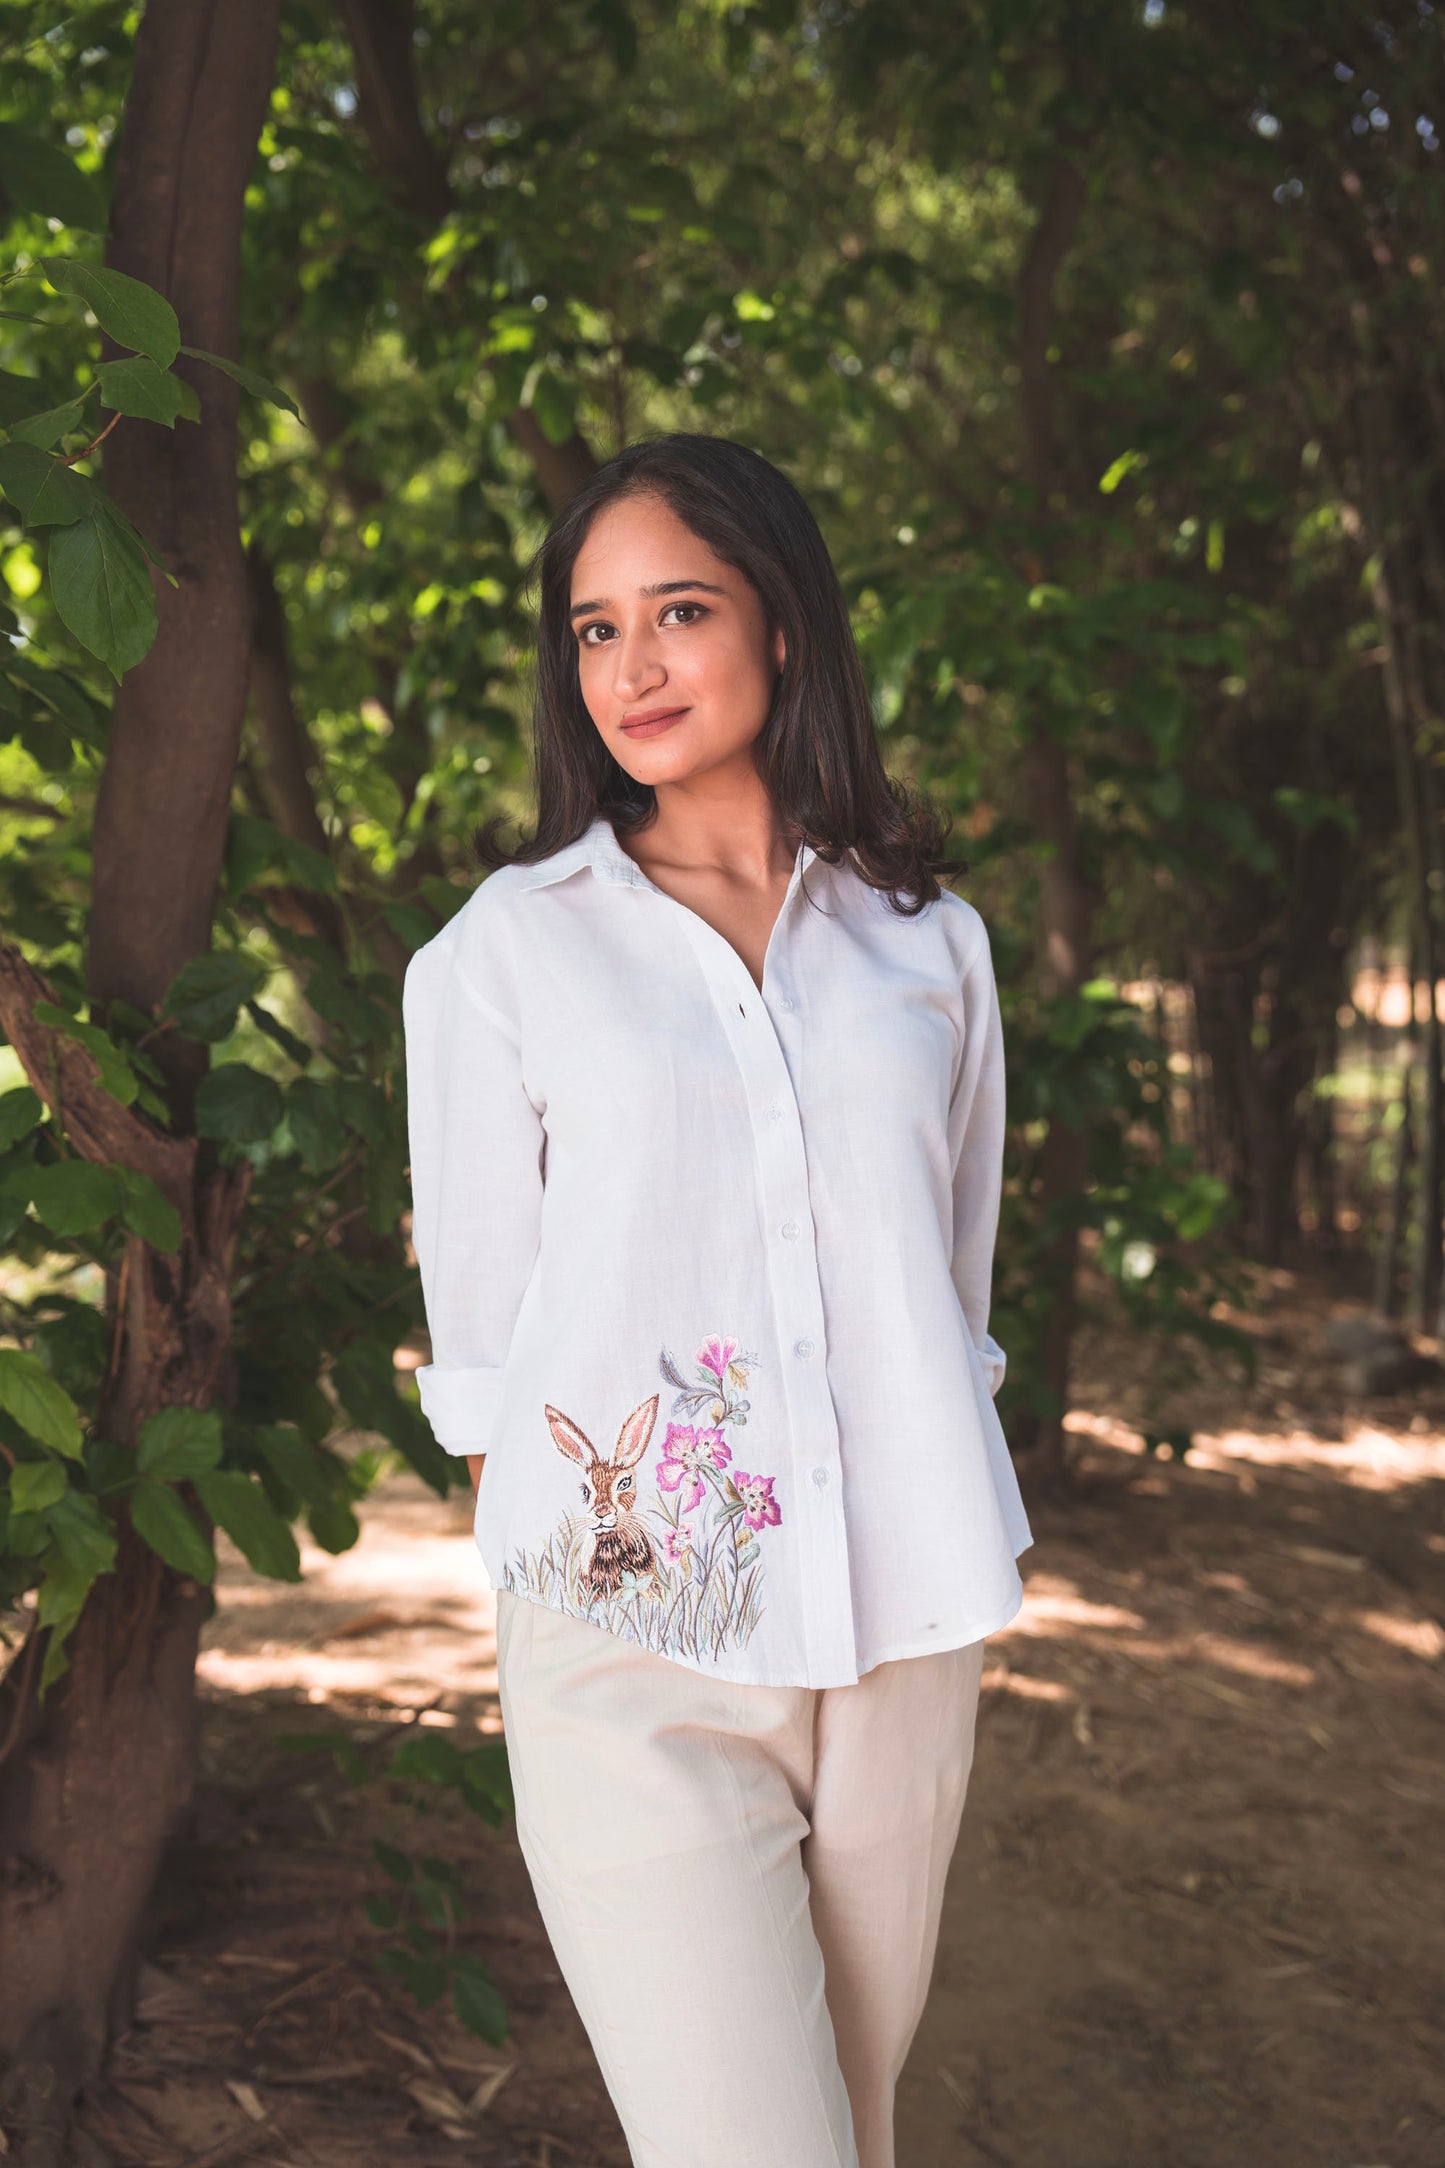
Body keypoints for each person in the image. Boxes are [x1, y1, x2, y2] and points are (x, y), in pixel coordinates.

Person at [402, 432, 1032, 2168]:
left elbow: (947, 1296)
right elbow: (482, 1351)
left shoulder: (931, 945)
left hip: (902, 1628)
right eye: (594, 630)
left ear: (786, 628)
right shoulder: (502, 955)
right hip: (635, 1640)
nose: (633, 667)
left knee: (856, 2119)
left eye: (677, 610)